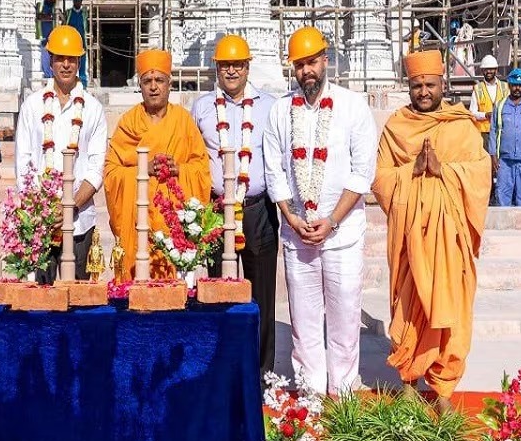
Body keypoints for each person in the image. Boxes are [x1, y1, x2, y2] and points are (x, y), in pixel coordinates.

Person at [373, 49, 491, 410]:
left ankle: (442, 388)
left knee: (450, 309)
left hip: (449, 239)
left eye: (429, 84)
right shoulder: (397, 126)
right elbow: (379, 179)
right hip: (409, 237)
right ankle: (408, 380)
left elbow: (481, 172)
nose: (423, 91)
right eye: (416, 85)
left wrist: (445, 170)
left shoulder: (462, 125)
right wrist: (412, 171)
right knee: (409, 308)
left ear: (443, 84)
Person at [262, 28, 376, 394]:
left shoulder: (352, 106)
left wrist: (331, 220)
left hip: (342, 232)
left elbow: (363, 173)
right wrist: (291, 217)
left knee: (344, 317)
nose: (306, 71)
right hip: (297, 232)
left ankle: (342, 392)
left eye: (312, 62)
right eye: (299, 65)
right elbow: (274, 170)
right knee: (304, 319)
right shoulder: (281, 111)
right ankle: (310, 391)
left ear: (326, 60)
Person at [191, 36, 279, 369]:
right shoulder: (201, 107)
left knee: (261, 296)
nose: (231, 71)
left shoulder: (270, 106)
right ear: (216, 67)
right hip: (216, 209)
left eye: (237, 64)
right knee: (217, 291)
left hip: (258, 207)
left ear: (247, 67)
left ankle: (261, 375)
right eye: (225, 65)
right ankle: (222, 367)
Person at [104, 49, 211, 281]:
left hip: (172, 225)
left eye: (159, 80)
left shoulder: (183, 121)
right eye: (147, 81)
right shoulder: (128, 123)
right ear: (140, 86)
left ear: (169, 84)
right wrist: (143, 170)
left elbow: (201, 170)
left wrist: (180, 170)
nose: (153, 87)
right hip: (136, 223)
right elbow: (112, 174)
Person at [14, 26, 108, 282]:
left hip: (80, 221)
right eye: (59, 58)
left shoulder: (93, 109)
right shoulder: (32, 106)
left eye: (72, 59)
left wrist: (70, 206)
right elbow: (24, 165)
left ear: (79, 61)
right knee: (40, 301)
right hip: (39, 222)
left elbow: (96, 169)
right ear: (50, 60)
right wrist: (42, 209)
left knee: (77, 299)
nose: (66, 65)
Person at [488, 69, 521, 206]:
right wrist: (493, 155)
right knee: (502, 195)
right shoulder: (500, 105)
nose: (517, 88)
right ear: (509, 85)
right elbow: (493, 131)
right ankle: (503, 227)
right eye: (514, 85)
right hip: (504, 161)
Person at [469, 55, 507, 146]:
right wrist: (485, 115)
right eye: (486, 69)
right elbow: (472, 112)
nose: (489, 71)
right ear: (482, 71)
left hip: (502, 130)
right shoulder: (478, 88)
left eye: (491, 69)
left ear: (496, 70)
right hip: (484, 132)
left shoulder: (505, 87)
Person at [65, 0, 89, 84]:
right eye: (76, 0)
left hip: (81, 43)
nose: (78, 2)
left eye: (79, 1)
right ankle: (70, 82)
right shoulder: (68, 13)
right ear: (73, 1)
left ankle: (83, 84)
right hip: (71, 44)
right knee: (70, 64)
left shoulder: (84, 13)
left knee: (82, 65)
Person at [37, 0, 59, 79]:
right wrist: (48, 16)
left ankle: (54, 78)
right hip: (43, 39)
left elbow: (60, 18)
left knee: (55, 61)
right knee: (45, 60)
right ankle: (48, 79)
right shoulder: (40, 6)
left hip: (54, 39)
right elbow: (38, 16)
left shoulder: (57, 8)